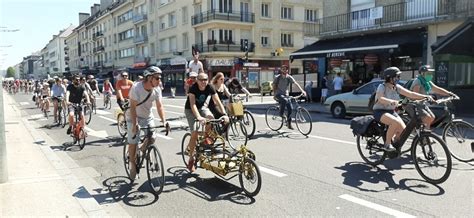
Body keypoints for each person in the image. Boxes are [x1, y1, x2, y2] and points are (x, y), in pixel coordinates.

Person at [373, 67, 433, 152]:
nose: (399, 78)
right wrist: (391, 101)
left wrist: (425, 96)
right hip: (379, 111)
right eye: (397, 77)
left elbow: (410, 94)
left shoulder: (396, 87)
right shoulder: (382, 87)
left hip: (391, 112)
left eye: (399, 77)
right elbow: (380, 98)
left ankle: (394, 144)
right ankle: (387, 144)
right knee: (395, 122)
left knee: (403, 132)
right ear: (390, 78)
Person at [127, 66, 168, 180]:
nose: (160, 80)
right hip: (133, 116)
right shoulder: (136, 88)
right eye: (157, 78)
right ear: (149, 78)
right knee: (133, 142)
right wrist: (135, 124)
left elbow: (160, 106)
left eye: (160, 78)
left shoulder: (157, 89)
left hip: (147, 116)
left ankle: (143, 149)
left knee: (152, 137)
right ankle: (132, 165)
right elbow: (132, 108)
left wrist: (164, 121)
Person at [184, 72, 228, 172]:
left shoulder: (210, 87)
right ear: (197, 81)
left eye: (205, 79)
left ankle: (204, 139)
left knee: (211, 118)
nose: (203, 82)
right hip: (190, 110)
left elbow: (217, 101)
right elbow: (192, 105)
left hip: (202, 108)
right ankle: (191, 158)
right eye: (201, 80)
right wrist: (199, 117)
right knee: (195, 131)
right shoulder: (193, 88)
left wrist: (224, 114)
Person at [410, 65, 455, 129]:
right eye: (428, 73)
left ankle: (424, 134)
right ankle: (423, 134)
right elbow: (414, 96)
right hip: (414, 104)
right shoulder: (418, 81)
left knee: (432, 117)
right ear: (422, 73)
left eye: (431, 73)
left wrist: (449, 93)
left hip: (422, 104)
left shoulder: (427, 82)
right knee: (427, 117)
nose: (430, 75)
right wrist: (427, 98)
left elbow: (437, 89)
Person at [272, 65, 306, 129]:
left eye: (286, 69)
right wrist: (274, 95)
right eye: (283, 69)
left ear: (287, 70)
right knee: (284, 100)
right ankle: (281, 114)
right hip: (278, 94)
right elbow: (274, 86)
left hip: (285, 94)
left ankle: (289, 124)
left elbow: (295, 83)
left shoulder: (289, 77)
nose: (285, 70)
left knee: (290, 108)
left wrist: (302, 91)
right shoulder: (277, 77)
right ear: (281, 70)